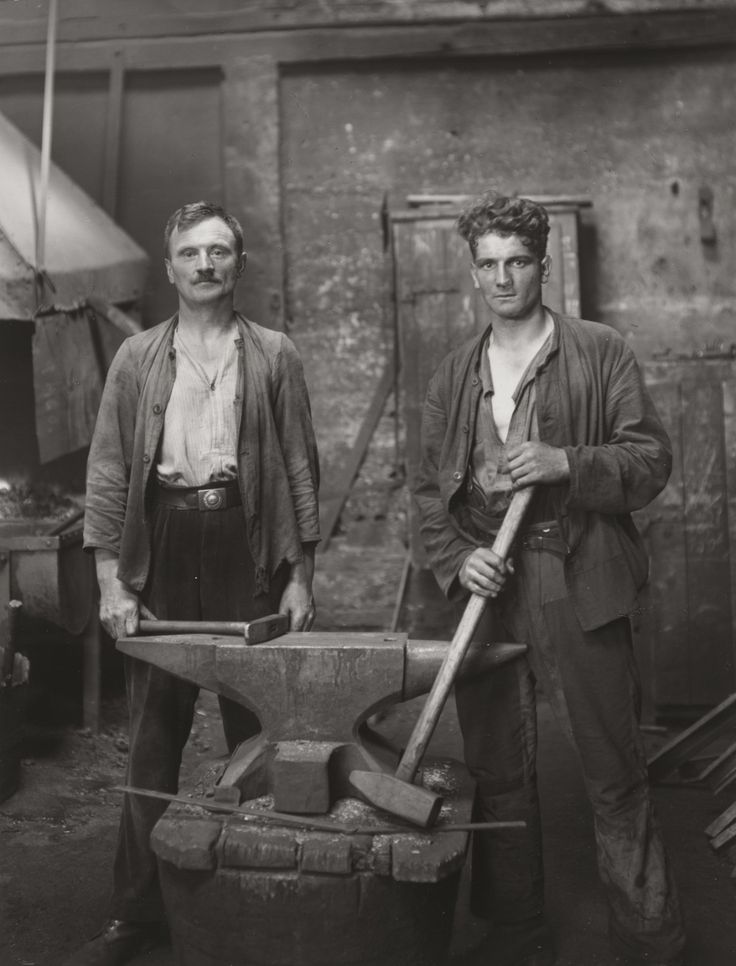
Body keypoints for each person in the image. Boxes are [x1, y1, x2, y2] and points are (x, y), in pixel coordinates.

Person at [413, 195, 685, 966]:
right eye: (489, 265)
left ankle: (649, 940)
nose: (503, 278)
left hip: (579, 571)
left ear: (544, 263)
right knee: (497, 765)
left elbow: (653, 461)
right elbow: (429, 491)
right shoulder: (453, 373)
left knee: (612, 766)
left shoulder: (599, 350)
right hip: (490, 581)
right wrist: (455, 557)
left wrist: (573, 463)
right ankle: (516, 927)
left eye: (518, 262)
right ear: (474, 274)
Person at [70, 201, 320, 966]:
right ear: (171, 266)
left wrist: (299, 575)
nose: (205, 264)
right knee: (153, 738)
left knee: (261, 733)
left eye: (219, 251)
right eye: (190, 252)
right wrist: (113, 580)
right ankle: (135, 916)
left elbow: (302, 471)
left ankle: (259, 899)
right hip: (165, 544)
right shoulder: (138, 358)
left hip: (247, 539)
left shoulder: (274, 354)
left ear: (239, 265)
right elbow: (109, 473)